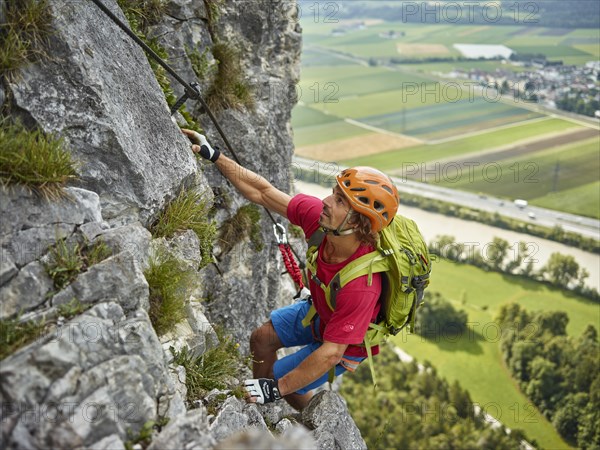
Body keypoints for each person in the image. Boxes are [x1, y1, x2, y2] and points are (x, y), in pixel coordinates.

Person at [183, 129, 400, 410]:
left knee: (283, 380)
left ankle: (309, 424)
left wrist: (276, 388)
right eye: (334, 194)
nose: (326, 202)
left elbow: (333, 352)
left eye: (340, 201)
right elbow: (262, 192)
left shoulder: (363, 286)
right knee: (262, 338)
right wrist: (214, 155)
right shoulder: (322, 221)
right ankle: (260, 403)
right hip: (322, 312)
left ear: (359, 224)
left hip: (346, 344)